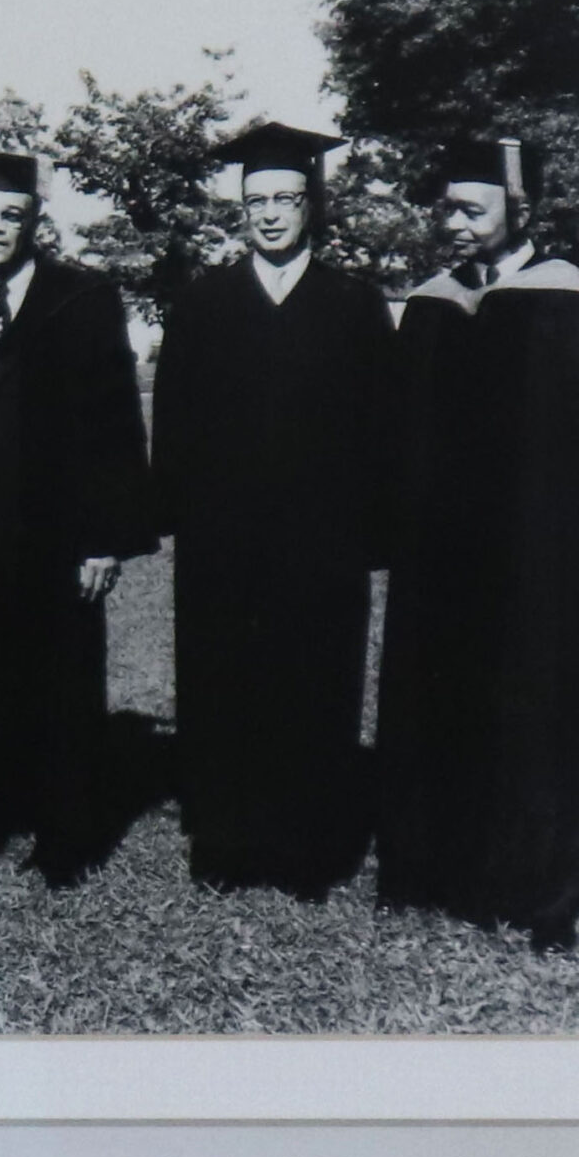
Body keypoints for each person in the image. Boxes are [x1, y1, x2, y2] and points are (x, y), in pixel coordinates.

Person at [376, 131, 579, 947]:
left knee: (533, 704)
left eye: (474, 211)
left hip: (536, 555)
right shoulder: (432, 305)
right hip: (440, 555)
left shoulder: (570, 300)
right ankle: (431, 869)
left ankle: (536, 883)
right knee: (440, 692)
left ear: (522, 210)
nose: (456, 225)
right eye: (448, 210)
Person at [152, 118, 392, 898]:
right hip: (222, 541)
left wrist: (366, 532)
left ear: (311, 204)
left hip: (322, 543)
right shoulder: (203, 303)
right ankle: (225, 842)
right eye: (257, 201)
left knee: (314, 682)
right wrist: (180, 513)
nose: (270, 214)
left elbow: (381, 429)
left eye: (285, 199)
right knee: (223, 681)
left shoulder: (354, 305)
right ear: (242, 209)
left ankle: (306, 852)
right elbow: (175, 425)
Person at [0, 150, 156, 882]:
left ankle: (64, 840)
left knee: (60, 688)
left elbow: (116, 425)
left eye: (11, 215)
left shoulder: (82, 301)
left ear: (34, 221)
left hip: (55, 534)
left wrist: (105, 540)